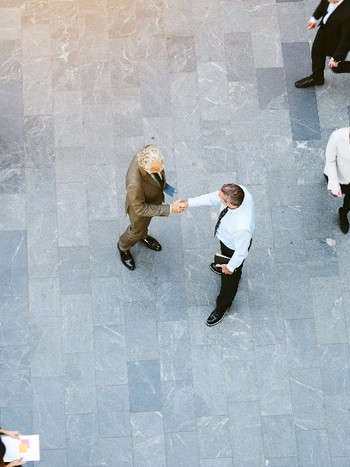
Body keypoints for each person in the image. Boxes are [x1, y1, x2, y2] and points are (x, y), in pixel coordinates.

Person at [180, 184, 255, 327]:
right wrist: (189, 202)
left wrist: (231, 266)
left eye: (221, 198)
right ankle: (223, 266)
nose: (217, 197)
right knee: (224, 259)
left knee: (230, 279)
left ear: (229, 204)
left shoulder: (241, 227)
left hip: (234, 248)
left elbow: (241, 252)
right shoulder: (239, 191)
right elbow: (213, 198)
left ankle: (223, 306)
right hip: (227, 239)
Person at [117, 145, 185, 270]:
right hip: (140, 210)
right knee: (136, 230)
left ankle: (143, 236)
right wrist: (170, 208)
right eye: (157, 168)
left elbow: (155, 177)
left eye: (162, 164)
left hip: (151, 199)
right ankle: (123, 246)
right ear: (144, 167)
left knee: (143, 227)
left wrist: (165, 187)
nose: (161, 168)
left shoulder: (147, 154)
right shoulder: (134, 184)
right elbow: (140, 209)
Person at [294, 0, 350, 89]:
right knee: (317, 51)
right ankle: (317, 78)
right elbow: (323, 5)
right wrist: (314, 19)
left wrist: (336, 58)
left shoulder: (348, 14)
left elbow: (346, 40)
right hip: (325, 30)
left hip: (338, 40)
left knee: (336, 67)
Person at [324, 126, 350, 233]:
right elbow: (330, 161)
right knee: (337, 194)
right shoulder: (336, 137)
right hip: (339, 177)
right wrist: (334, 184)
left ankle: (343, 213)